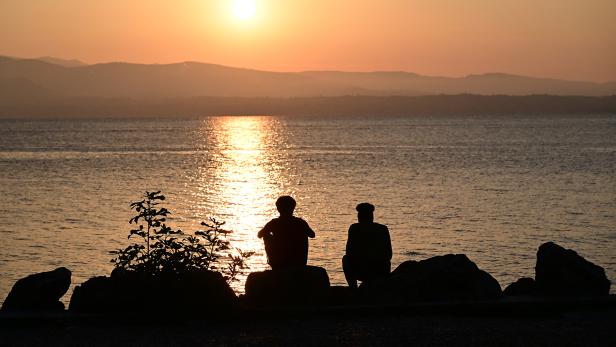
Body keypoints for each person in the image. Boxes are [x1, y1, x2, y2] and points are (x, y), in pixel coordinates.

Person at [342, 203, 392, 289]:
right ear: (371, 216)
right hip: (379, 270)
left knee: (345, 259)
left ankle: (353, 288)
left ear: (360, 216)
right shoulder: (382, 229)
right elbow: (389, 254)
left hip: (361, 269)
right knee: (386, 262)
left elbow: (349, 252)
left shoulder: (354, 228)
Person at [258, 196, 315, 270]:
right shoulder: (300, 222)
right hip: (299, 261)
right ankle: (297, 261)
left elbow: (259, 234)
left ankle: (273, 261)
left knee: (266, 235)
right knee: (304, 232)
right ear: (293, 208)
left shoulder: (274, 223)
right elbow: (312, 235)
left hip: (278, 261)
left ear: (278, 208)